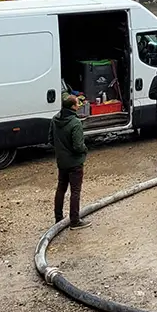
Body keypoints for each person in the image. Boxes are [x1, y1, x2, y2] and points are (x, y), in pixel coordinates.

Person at [50, 88, 89, 228]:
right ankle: (74, 220)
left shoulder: (55, 119)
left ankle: (58, 219)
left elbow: (50, 139)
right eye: (77, 104)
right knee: (75, 191)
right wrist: (85, 150)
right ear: (72, 107)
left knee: (61, 189)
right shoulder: (75, 123)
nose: (79, 106)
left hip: (62, 162)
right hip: (75, 163)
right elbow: (78, 146)